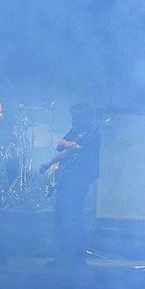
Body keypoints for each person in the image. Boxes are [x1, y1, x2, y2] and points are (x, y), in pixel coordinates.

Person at [39, 102, 100, 266]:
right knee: (61, 216)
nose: (73, 119)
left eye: (76, 117)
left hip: (80, 179)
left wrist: (73, 145)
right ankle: (64, 256)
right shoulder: (76, 130)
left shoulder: (94, 132)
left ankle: (77, 258)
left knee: (73, 216)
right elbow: (62, 147)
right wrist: (49, 163)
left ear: (85, 117)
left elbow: (78, 148)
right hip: (67, 178)